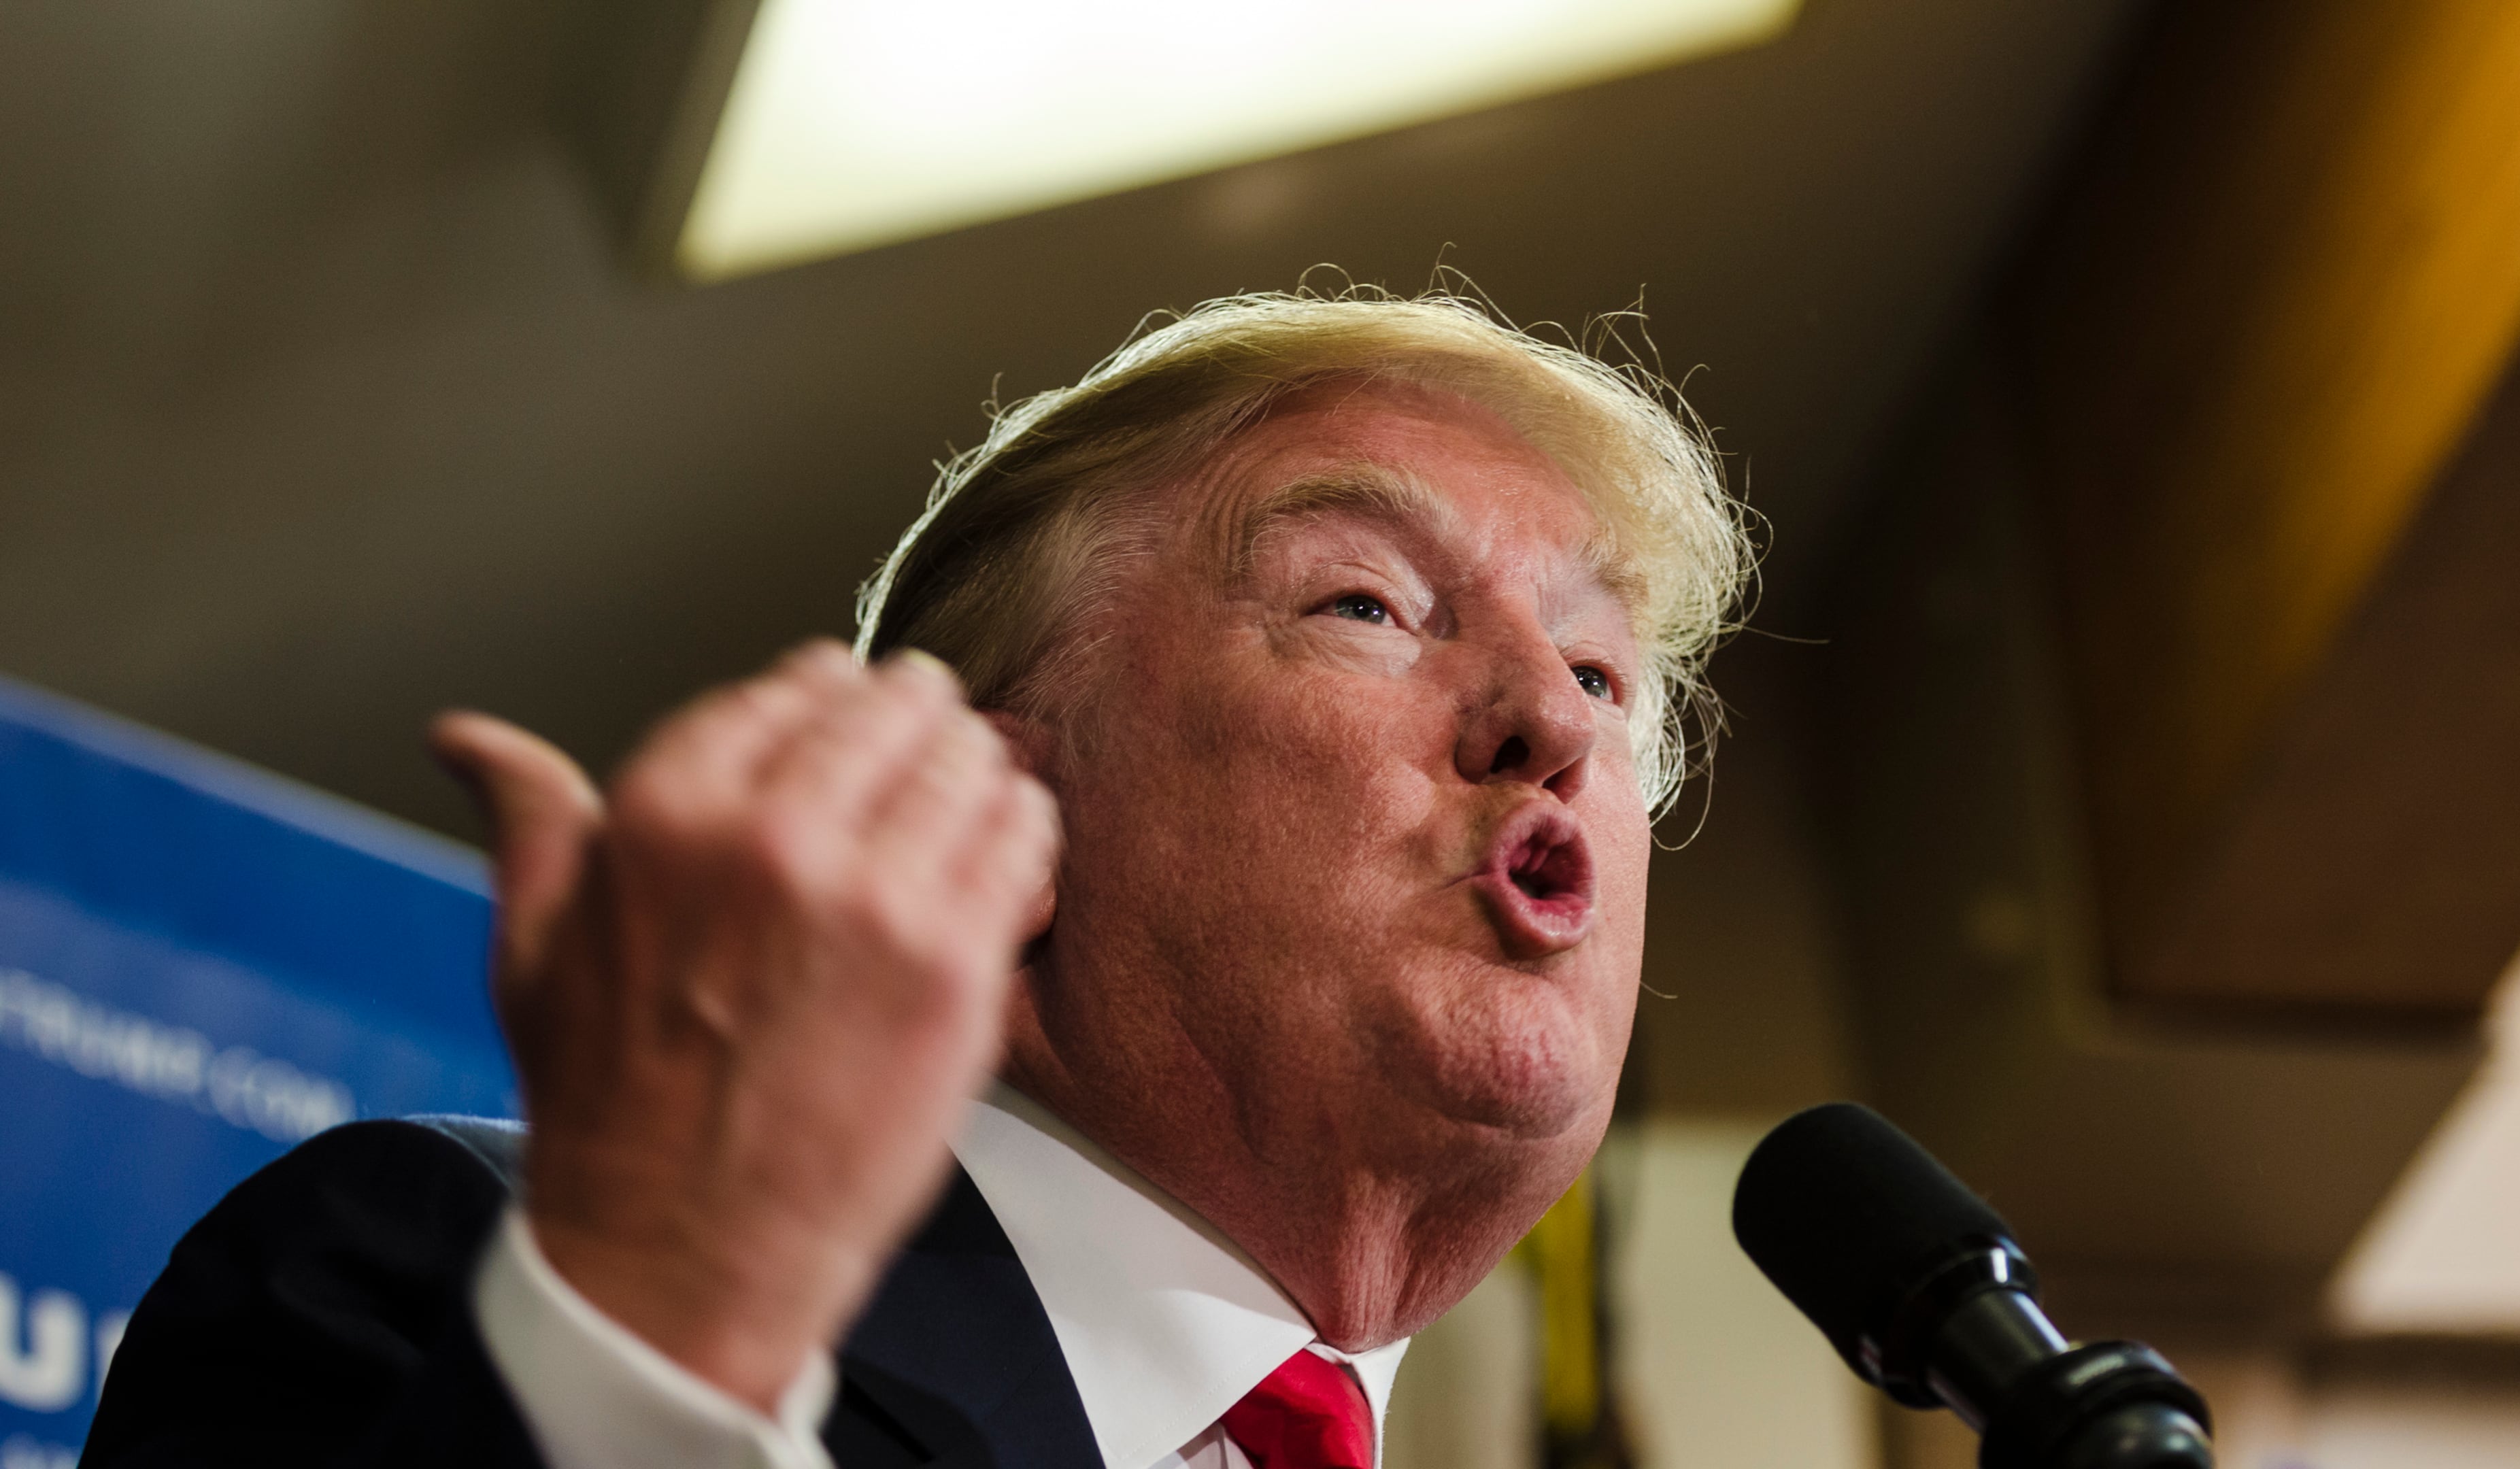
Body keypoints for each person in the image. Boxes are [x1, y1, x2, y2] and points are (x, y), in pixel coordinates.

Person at [81, 288, 1751, 1469]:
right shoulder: (472, 1286)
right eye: (1367, 605)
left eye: (1602, 674)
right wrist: (672, 1323)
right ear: (990, 808)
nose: (1554, 723)